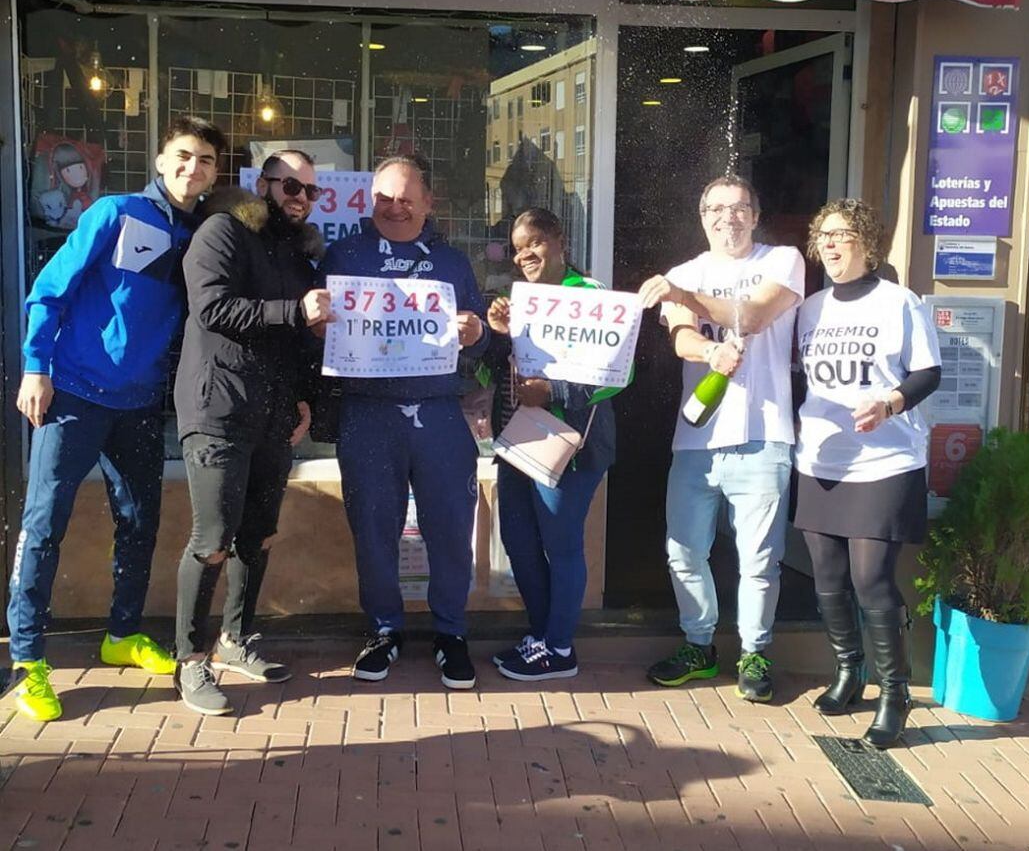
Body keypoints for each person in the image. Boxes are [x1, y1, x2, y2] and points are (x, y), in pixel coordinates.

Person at [7, 116, 225, 722]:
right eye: (183, 156)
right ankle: (28, 663)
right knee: (44, 525)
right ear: (160, 161)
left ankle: (122, 634)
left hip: (140, 404)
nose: (193, 168)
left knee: (140, 524)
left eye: (205, 160)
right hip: (73, 393)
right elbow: (52, 287)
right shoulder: (115, 211)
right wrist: (35, 366)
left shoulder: (203, 235)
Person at [318, 155, 488, 690]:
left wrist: (475, 329)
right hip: (368, 413)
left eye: (406, 197)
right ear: (370, 201)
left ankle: (451, 633)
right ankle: (384, 629)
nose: (395, 207)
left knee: (450, 527)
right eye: (384, 198)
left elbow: (484, 335)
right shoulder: (343, 254)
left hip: (439, 410)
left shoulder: (452, 262)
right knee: (372, 529)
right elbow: (314, 335)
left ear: (428, 201)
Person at [172, 151, 331, 715]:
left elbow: (299, 339)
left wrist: (305, 398)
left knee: (257, 534)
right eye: (291, 185)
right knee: (212, 538)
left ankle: (234, 640)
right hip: (216, 406)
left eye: (312, 192)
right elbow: (213, 307)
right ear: (261, 183)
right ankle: (190, 663)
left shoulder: (298, 254)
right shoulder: (222, 231)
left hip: (273, 414)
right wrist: (295, 311)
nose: (301, 198)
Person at [638, 175, 804, 701]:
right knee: (683, 551)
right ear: (701, 216)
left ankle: (754, 653)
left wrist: (681, 293)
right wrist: (710, 353)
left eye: (738, 208)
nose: (726, 217)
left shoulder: (782, 261)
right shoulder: (684, 272)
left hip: (765, 434)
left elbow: (753, 314)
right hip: (696, 441)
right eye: (715, 208)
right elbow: (682, 335)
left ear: (755, 215)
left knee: (759, 559)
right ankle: (700, 647)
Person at [795, 199, 941, 748]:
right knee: (828, 577)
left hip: (885, 461)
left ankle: (895, 691)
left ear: (867, 244)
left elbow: (929, 373)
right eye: (823, 235)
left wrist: (891, 403)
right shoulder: (810, 310)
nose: (831, 245)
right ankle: (849, 672)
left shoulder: (899, 303)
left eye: (843, 235)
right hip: (821, 461)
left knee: (870, 578)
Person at [484, 208, 623, 681]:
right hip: (521, 439)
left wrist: (556, 393)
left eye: (536, 242)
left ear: (560, 241)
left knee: (560, 546)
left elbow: (617, 377)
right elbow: (498, 372)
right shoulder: (519, 300)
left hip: (571, 445)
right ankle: (543, 636)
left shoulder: (591, 296)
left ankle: (559, 647)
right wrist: (497, 337)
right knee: (519, 541)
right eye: (519, 247)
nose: (526, 254)